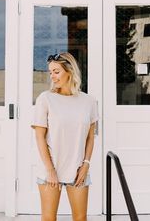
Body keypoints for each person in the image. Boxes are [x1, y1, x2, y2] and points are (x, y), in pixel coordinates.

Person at [31, 52, 99, 221]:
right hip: (50, 169)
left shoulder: (89, 101)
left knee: (80, 217)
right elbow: (40, 137)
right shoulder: (45, 99)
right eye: (50, 72)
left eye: (56, 71)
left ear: (69, 71)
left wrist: (86, 165)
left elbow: (90, 137)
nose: (52, 76)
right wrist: (50, 170)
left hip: (78, 170)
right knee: (48, 218)